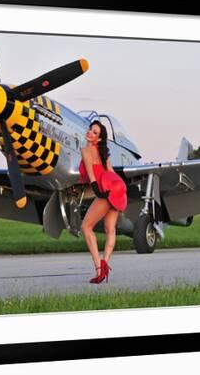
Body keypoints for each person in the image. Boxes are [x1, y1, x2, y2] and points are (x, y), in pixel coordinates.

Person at [79, 120, 127, 284]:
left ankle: (99, 268)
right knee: (110, 229)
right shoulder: (104, 154)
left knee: (86, 227)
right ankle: (105, 263)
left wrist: (99, 191)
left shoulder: (86, 150)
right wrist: (121, 189)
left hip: (106, 192)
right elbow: (112, 172)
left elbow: (92, 176)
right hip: (115, 190)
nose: (90, 133)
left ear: (98, 139)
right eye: (90, 130)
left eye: (95, 132)